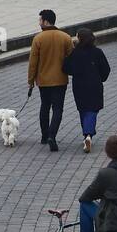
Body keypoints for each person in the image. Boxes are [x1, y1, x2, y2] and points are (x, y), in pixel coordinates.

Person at [28, 10, 73, 152]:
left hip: (43, 80)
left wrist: (31, 80)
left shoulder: (38, 39)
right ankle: (52, 136)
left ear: (46, 21)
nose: (39, 23)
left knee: (45, 106)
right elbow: (71, 58)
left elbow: (33, 62)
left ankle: (44, 135)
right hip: (60, 80)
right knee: (58, 109)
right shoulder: (65, 38)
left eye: (40, 20)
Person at [61, 27, 109, 153]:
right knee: (92, 109)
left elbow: (65, 67)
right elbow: (106, 69)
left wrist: (75, 72)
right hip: (94, 85)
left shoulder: (75, 53)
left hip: (79, 85)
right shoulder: (98, 52)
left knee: (83, 109)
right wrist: (101, 78)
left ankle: (86, 135)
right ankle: (88, 134)